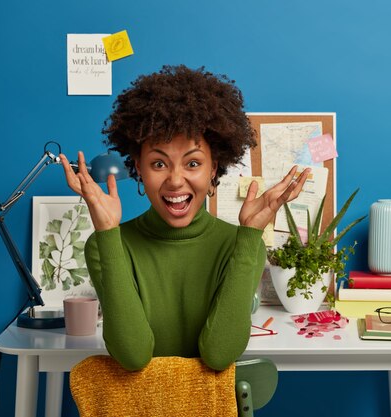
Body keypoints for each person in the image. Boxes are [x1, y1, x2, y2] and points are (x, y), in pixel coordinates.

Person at [61, 65, 310, 371]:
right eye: (158, 163)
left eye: (193, 163)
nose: (176, 180)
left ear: (214, 168)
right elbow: (133, 356)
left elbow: (219, 355)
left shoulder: (242, 245)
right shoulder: (106, 245)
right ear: (138, 167)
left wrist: (248, 238)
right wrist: (108, 235)